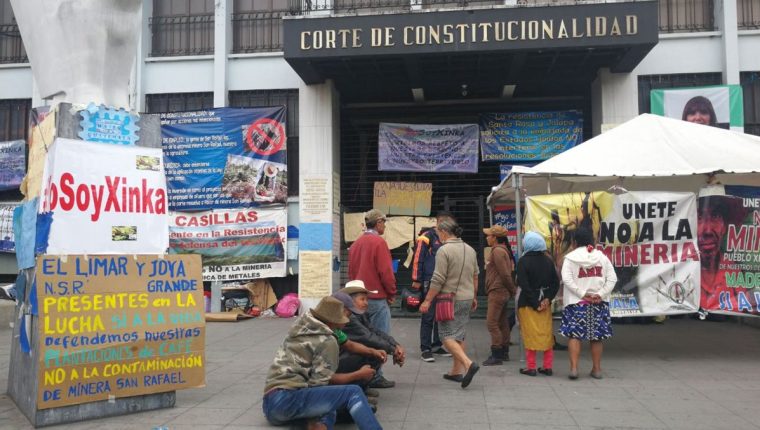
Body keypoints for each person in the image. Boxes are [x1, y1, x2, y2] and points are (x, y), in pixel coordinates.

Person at [263, 296, 382, 430]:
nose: (345, 323)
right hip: (288, 399)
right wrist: (359, 375)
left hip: (270, 404)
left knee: (333, 405)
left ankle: (310, 425)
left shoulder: (299, 329)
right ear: (332, 322)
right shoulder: (327, 340)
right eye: (342, 319)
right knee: (353, 392)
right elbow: (320, 384)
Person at [419, 219, 480, 389]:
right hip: (467, 297)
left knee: (446, 336)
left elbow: (438, 279)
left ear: (444, 232)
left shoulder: (443, 250)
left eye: (438, 232)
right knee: (459, 334)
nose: (438, 236)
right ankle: (455, 371)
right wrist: (474, 296)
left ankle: (468, 364)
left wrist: (428, 300)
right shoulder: (470, 249)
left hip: (449, 299)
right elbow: (476, 275)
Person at [559, 227, 617, 380]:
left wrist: (583, 294)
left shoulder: (570, 258)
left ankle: (574, 369)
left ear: (574, 241)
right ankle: (597, 369)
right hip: (598, 303)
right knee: (596, 337)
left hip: (576, 303)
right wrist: (600, 294)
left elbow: (567, 280)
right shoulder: (602, 257)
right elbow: (612, 279)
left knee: (574, 336)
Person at [334, 281, 406, 389]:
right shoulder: (349, 317)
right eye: (362, 299)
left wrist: (396, 345)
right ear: (350, 302)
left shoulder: (360, 314)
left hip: (346, 351)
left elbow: (375, 331)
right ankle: (356, 389)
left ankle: (362, 388)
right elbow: (367, 337)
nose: (366, 303)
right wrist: (392, 350)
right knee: (374, 352)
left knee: (376, 352)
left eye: (367, 299)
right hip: (338, 358)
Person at [411, 210, 456, 363]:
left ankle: (437, 345)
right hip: (429, 281)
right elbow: (418, 258)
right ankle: (425, 348)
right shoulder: (427, 237)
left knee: (441, 315)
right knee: (428, 315)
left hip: (444, 282)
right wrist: (416, 279)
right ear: (439, 221)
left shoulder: (448, 237)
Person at [697, 194, 754, 312]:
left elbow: (746, 308)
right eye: (699, 217)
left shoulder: (734, 270)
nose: (707, 230)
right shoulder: (681, 268)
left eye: (715, 216)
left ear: (725, 226)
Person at [516, 231, 560, 376]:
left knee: (529, 334)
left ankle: (531, 367)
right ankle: (547, 366)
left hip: (528, 304)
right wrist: (547, 299)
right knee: (546, 334)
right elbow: (555, 283)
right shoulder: (548, 261)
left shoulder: (523, 261)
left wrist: (535, 303)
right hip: (545, 304)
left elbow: (524, 284)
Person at [348, 209, 397, 335]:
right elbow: (386, 273)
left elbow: (351, 273)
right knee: (381, 339)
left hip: (358, 299)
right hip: (377, 299)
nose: (385, 225)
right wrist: (391, 294)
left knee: (364, 339)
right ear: (378, 222)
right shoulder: (379, 243)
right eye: (384, 222)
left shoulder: (355, 244)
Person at [481, 224, 516, 366]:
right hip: (501, 290)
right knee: (502, 322)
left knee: (492, 323)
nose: (487, 237)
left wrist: (512, 290)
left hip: (497, 291)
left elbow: (505, 274)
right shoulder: (501, 250)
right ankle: (504, 351)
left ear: (495, 238)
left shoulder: (497, 252)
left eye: (489, 235)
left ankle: (497, 353)